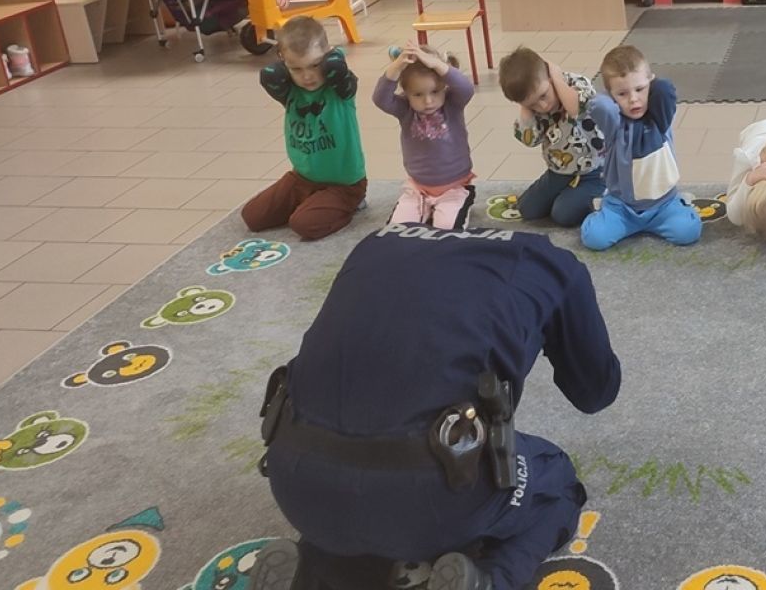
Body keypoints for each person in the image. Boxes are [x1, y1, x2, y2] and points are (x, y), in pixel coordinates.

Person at [252, 223, 622, 590]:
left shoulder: (376, 242)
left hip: (294, 480)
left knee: (360, 490)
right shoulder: (553, 265)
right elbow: (595, 393)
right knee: (555, 478)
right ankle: (490, 579)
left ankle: (312, 570)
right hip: (437, 492)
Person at [241, 17, 367, 241]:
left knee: (303, 224)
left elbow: (337, 65)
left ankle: (351, 205)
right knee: (252, 216)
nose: (307, 76)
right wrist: (286, 59)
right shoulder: (289, 91)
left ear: (326, 58)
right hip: (301, 179)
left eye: (315, 65)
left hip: (344, 185)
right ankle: (312, 202)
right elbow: (269, 74)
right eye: (296, 68)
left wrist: (330, 55)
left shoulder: (339, 89)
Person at [579, 45, 701, 251]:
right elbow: (600, 106)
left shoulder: (660, 119)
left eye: (640, 89)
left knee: (689, 231)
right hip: (622, 207)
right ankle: (603, 209)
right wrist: (612, 94)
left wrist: (649, 82)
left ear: (650, 86)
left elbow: (665, 90)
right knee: (594, 238)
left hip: (663, 204)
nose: (633, 99)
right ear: (611, 96)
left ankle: (679, 205)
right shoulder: (615, 125)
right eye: (622, 94)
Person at [498, 47, 608, 227]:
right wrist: (525, 107)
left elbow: (576, 109)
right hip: (559, 171)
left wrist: (557, 79)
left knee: (563, 215)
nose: (542, 106)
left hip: (594, 171)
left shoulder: (577, 83)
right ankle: (569, 193)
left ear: (549, 76)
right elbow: (529, 140)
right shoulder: (533, 106)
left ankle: (604, 193)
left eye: (543, 95)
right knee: (527, 209)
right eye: (532, 104)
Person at [374, 45, 477, 230]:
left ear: (444, 87)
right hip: (418, 188)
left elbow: (466, 88)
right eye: (418, 94)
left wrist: (438, 65)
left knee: (446, 229)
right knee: (397, 231)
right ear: (406, 94)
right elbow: (380, 98)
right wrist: (396, 67)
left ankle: (462, 201)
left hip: (454, 187)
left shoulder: (453, 103)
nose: (428, 101)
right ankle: (425, 209)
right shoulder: (405, 109)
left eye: (435, 91)